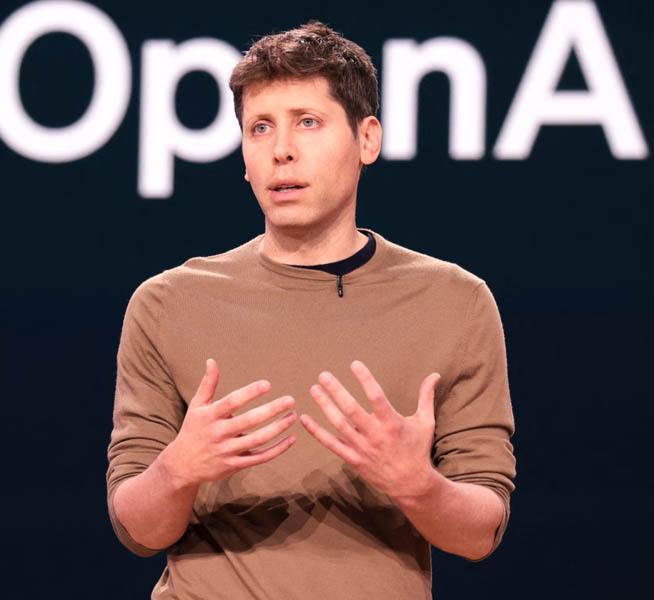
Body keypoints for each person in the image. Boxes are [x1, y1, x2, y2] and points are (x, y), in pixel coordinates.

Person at [106, 21, 515, 599]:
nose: (282, 150)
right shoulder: (169, 302)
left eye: (308, 122)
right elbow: (137, 530)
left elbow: (479, 533)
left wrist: (417, 484)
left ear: (367, 139)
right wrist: (180, 469)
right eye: (260, 128)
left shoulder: (454, 302)